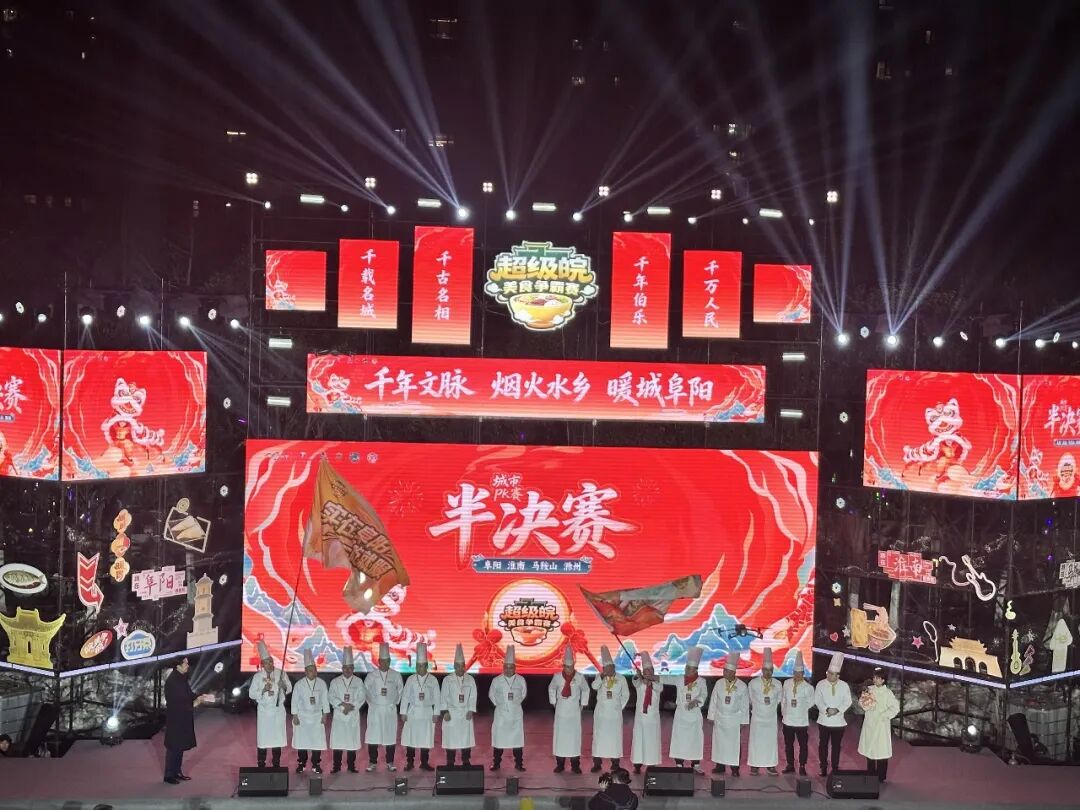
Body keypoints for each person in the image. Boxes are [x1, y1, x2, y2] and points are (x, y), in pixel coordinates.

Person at [163, 656, 213, 784]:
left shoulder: (181, 677)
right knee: (174, 746)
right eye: (185, 663)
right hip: (176, 717)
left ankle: (177, 771)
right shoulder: (173, 681)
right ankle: (169, 775)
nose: (187, 665)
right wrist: (195, 703)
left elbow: (188, 694)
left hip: (183, 716)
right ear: (178, 666)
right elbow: (178, 701)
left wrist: (199, 696)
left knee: (180, 746)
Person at [248, 640, 292, 768]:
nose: (270, 664)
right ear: (262, 664)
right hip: (264, 712)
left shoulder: (281, 673)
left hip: (278, 711)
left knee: (277, 739)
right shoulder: (257, 677)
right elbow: (251, 694)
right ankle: (261, 764)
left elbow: (289, 688)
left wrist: (283, 685)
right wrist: (263, 690)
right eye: (267, 662)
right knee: (263, 739)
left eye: (271, 661)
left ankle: (276, 764)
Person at [665, 645, 708, 772]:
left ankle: (696, 764)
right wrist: (652, 677)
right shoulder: (679, 679)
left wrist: (696, 701)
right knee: (679, 739)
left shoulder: (701, 681)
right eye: (686, 668)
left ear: (696, 670)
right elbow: (665, 678)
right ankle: (679, 763)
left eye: (689, 668)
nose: (687, 670)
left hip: (694, 714)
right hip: (681, 714)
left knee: (695, 739)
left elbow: (704, 694)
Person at [549, 645, 590, 773]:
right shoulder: (557, 677)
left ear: (574, 666)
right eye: (567, 667)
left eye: (571, 667)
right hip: (561, 711)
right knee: (560, 738)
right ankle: (560, 764)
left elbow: (586, 689)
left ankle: (575, 765)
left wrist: (583, 704)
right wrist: (553, 702)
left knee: (574, 739)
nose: (569, 669)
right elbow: (551, 688)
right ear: (563, 666)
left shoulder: (580, 677)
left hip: (574, 712)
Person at [401, 642, 441, 771]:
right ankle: (410, 762)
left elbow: (437, 697)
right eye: (417, 666)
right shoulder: (411, 679)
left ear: (426, 666)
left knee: (426, 738)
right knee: (411, 738)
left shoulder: (433, 680)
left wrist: (436, 713)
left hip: (427, 712)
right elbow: (405, 696)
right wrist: (403, 712)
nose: (419, 668)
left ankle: (424, 762)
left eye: (422, 666)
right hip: (413, 711)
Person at [364, 641, 404, 772]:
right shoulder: (372, 675)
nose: (385, 663)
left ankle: (390, 762)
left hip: (389, 710)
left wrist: (395, 703)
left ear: (390, 661)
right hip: (375, 710)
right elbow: (365, 690)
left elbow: (400, 690)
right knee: (373, 736)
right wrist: (371, 703)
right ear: (379, 661)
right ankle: (372, 762)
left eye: (387, 661)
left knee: (390, 736)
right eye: (383, 661)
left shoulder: (396, 675)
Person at [708, 651, 748, 776]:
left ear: (733, 672)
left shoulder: (741, 686)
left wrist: (744, 721)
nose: (724, 673)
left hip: (734, 720)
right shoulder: (719, 683)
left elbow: (745, 705)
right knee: (719, 743)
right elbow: (714, 700)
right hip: (720, 718)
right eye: (724, 671)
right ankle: (720, 766)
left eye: (726, 671)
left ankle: (735, 769)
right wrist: (711, 716)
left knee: (734, 744)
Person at [857, 667, 899, 784]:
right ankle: (870, 774)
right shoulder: (869, 689)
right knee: (870, 750)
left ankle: (881, 777)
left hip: (881, 726)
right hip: (870, 723)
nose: (875, 680)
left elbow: (895, 708)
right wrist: (865, 703)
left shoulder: (888, 693)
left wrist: (884, 715)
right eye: (874, 677)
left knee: (881, 751)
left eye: (877, 678)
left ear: (883, 680)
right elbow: (861, 702)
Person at [591, 645, 630, 772]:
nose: (609, 670)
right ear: (603, 669)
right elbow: (594, 687)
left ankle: (615, 764)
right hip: (601, 713)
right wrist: (602, 676)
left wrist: (619, 707)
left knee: (615, 738)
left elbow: (626, 695)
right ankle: (597, 763)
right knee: (599, 738)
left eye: (611, 667)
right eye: (606, 668)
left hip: (615, 714)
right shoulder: (599, 676)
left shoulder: (621, 678)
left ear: (614, 667)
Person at [292, 649, 330, 774]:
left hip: (317, 717)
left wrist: (325, 715)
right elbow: (294, 701)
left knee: (317, 742)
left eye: (314, 670)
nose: (313, 672)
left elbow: (325, 700)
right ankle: (301, 764)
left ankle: (316, 764)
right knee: (302, 742)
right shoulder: (299, 684)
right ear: (305, 671)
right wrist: (295, 716)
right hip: (302, 716)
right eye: (310, 670)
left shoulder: (322, 683)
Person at [489, 644, 527, 772]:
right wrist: (501, 705)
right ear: (503, 667)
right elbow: (491, 695)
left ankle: (519, 764)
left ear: (515, 667)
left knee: (517, 741)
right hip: (501, 715)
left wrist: (514, 704)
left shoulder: (520, 680)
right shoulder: (496, 680)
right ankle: (496, 764)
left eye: (511, 667)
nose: (508, 669)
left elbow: (523, 694)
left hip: (516, 714)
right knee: (499, 741)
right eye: (506, 667)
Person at [329, 646, 365, 774]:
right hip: (339, 715)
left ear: (353, 668)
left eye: (350, 667)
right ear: (342, 668)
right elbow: (331, 696)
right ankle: (336, 766)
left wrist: (351, 707)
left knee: (352, 742)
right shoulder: (335, 681)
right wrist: (342, 706)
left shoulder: (358, 681)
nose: (348, 670)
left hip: (352, 715)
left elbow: (361, 697)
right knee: (338, 742)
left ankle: (351, 766)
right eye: (345, 667)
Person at [814, 652, 851, 775]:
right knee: (823, 745)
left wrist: (837, 710)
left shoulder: (844, 686)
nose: (829, 675)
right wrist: (826, 709)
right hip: (824, 721)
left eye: (832, 674)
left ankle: (835, 768)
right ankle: (823, 767)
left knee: (836, 746)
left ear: (838, 675)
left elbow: (848, 701)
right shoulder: (820, 684)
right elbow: (817, 700)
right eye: (828, 673)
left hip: (839, 722)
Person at [441, 643, 477, 766]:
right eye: (458, 666)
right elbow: (443, 696)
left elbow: (473, 696)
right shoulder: (447, 680)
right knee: (451, 739)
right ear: (454, 666)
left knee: (466, 739)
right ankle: (450, 761)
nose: (461, 668)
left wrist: (471, 710)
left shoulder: (470, 679)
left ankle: (466, 760)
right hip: (451, 713)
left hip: (465, 712)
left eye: (463, 666)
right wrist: (445, 711)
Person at [781, 650, 814, 776]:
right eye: (795, 673)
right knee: (788, 745)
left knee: (803, 745)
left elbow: (811, 702)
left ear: (803, 673)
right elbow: (783, 699)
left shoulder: (808, 687)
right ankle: (790, 765)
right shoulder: (787, 683)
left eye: (799, 673)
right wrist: (784, 713)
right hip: (788, 720)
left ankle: (802, 766)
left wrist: (800, 708)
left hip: (801, 721)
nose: (797, 675)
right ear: (793, 672)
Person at [747, 647, 780, 775]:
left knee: (770, 743)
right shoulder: (753, 683)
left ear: (773, 671)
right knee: (756, 742)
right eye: (765, 670)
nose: (768, 672)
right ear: (761, 670)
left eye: (770, 670)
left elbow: (779, 699)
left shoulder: (778, 684)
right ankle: (754, 765)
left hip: (771, 719)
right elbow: (750, 699)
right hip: (757, 718)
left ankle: (770, 765)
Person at [629, 652, 661, 774]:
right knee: (639, 741)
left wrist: (650, 682)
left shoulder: (657, 682)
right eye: (646, 670)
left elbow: (659, 688)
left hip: (652, 718)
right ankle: (637, 764)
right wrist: (638, 676)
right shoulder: (640, 682)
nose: (648, 672)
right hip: (640, 717)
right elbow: (635, 682)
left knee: (651, 741)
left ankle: (651, 764)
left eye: (650, 670)